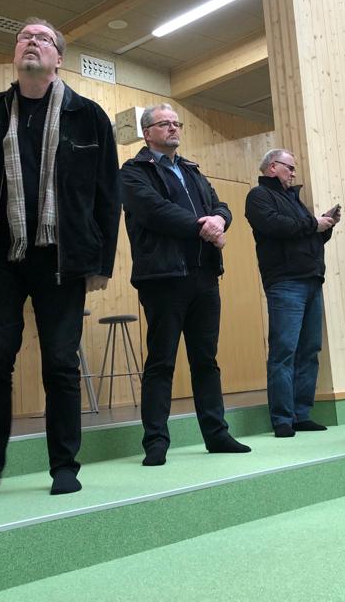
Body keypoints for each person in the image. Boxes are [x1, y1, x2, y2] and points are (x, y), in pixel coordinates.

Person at [0, 17, 121, 498]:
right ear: (15, 52)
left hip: (63, 257)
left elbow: (109, 194)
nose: (32, 41)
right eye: (25, 36)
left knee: (61, 362)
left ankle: (64, 466)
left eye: (43, 38)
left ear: (58, 58)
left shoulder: (89, 116)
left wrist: (102, 261)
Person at [121, 103, 250, 466]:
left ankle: (216, 434)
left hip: (204, 276)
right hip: (163, 278)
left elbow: (221, 205)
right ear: (147, 132)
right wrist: (202, 226)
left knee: (206, 360)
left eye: (176, 123)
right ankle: (156, 442)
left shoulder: (192, 170)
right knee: (161, 361)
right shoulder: (133, 171)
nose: (174, 128)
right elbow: (154, 211)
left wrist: (219, 220)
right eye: (165, 124)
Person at [246, 149, 340, 437]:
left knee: (309, 350)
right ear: (272, 167)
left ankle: (301, 414)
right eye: (290, 167)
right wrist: (314, 223)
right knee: (284, 350)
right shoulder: (258, 196)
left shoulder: (293, 199)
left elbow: (305, 233)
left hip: (311, 280)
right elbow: (276, 226)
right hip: (285, 281)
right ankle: (282, 419)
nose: (293, 173)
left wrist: (326, 225)